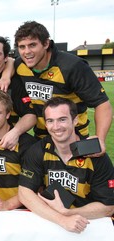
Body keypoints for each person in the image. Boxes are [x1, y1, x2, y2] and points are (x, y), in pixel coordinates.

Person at [14, 21, 112, 156]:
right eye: (22, 47)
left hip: (75, 139)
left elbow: (102, 104)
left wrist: (100, 139)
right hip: (42, 139)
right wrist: (5, 77)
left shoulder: (72, 66)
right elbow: (6, 62)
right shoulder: (20, 65)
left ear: (46, 43)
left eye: (32, 45)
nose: (27, 52)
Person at [18, 97, 114, 233]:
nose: (56, 127)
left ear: (75, 121)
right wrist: (61, 219)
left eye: (62, 119)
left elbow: (108, 206)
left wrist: (67, 213)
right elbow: (24, 192)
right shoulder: (38, 150)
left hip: (89, 227)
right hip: (53, 225)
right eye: (50, 121)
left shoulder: (95, 155)